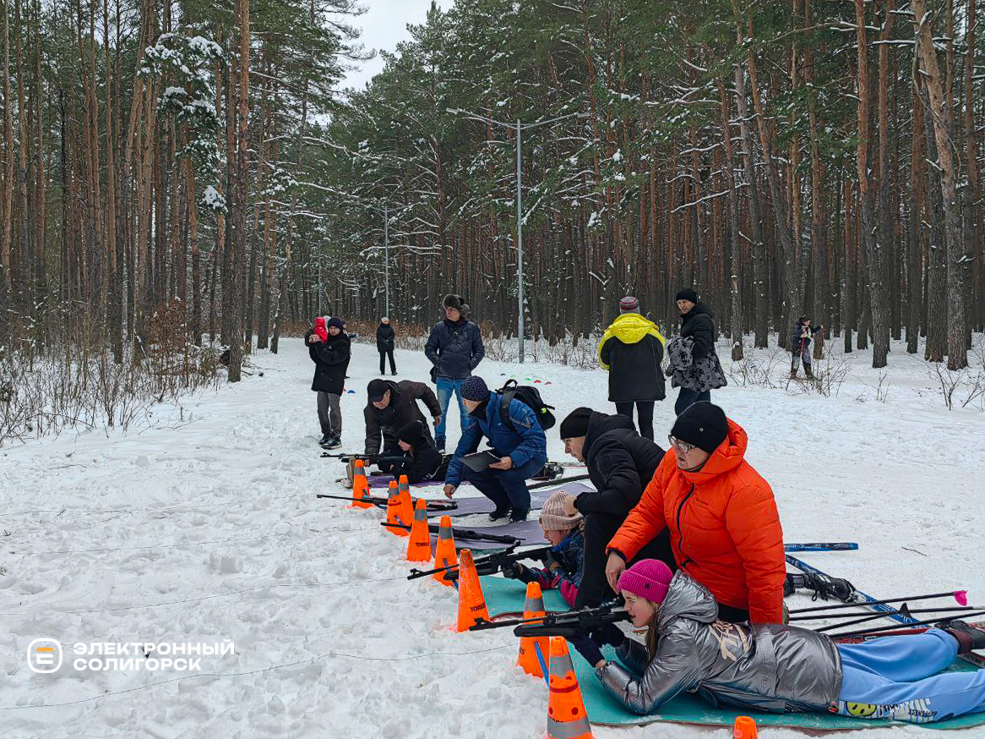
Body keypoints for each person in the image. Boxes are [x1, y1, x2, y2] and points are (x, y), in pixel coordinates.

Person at [571, 559, 985, 724]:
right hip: (795, 647)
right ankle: (954, 639)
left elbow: (644, 698)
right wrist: (622, 646)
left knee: (900, 698)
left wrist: (598, 661)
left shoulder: (679, 635)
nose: (625, 609)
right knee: (888, 657)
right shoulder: (685, 614)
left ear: (655, 599)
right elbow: (670, 668)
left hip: (805, 679)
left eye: (630, 600)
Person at [604, 401, 785, 624]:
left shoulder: (746, 491)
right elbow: (648, 511)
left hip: (725, 597)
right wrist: (619, 551)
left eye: (686, 446)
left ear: (711, 450)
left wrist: (767, 637)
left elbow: (765, 572)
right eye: (675, 441)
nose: (677, 450)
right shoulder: (674, 462)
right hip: (685, 579)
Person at [558, 407, 675, 609]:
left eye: (568, 441)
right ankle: (609, 590)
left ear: (585, 436)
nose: (567, 450)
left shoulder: (606, 446)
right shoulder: (615, 437)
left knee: (597, 520)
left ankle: (587, 605)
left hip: (666, 528)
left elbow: (623, 497)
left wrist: (579, 502)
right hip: (665, 519)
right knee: (599, 517)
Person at [442, 376, 547, 522]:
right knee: (470, 469)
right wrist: (452, 480)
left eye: (464, 400)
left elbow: (537, 439)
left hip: (533, 456)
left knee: (509, 475)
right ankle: (504, 503)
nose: (463, 403)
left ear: (475, 401)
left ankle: (521, 508)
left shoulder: (513, 408)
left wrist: (513, 459)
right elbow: (463, 448)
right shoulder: (477, 416)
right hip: (503, 454)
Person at [597, 296, 665, 440]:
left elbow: (603, 361)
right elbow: (659, 355)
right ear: (638, 310)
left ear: (621, 310)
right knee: (646, 423)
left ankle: (627, 452)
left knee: (624, 423)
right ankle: (648, 455)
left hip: (621, 385)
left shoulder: (610, 334)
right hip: (648, 384)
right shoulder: (652, 332)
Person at [500, 491, 585, 606]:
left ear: (566, 528)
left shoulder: (585, 549)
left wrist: (555, 568)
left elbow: (577, 597)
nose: (545, 536)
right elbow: (549, 578)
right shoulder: (568, 545)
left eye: (548, 530)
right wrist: (522, 572)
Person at [424, 294, 485, 452]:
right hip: (443, 377)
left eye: (451, 309)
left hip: (464, 378)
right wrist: (439, 363)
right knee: (440, 411)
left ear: (460, 311)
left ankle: (467, 443)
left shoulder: (471, 328)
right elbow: (429, 348)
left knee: (466, 413)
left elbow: (479, 350)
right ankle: (440, 442)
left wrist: (470, 365)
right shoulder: (439, 327)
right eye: (446, 309)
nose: (448, 312)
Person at [668, 288, 726, 416]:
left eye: (685, 302)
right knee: (703, 408)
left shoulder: (701, 319)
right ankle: (704, 433)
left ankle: (687, 433)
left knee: (682, 408)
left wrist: (682, 347)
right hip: (697, 371)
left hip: (697, 372)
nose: (682, 305)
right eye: (679, 303)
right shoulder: (692, 317)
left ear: (693, 302)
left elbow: (702, 347)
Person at [364, 378, 442, 457]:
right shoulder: (370, 411)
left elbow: (425, 391)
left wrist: (435, 411)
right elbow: (373, 436)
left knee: (429, 460)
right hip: (394, 439)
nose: (378, 404)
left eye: (380, 401)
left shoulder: (406, 389)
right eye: (375, 402)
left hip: (418, 433)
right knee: (388, 464)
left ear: (388, 393)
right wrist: (370, 456)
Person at [305, 316, 350, 449]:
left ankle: (336, 435)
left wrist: (319, 345)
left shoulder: (343, 343)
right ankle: (326, 433)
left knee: (334, 409)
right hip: (322, 379)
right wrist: (313, 344)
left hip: (334, 380)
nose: (333, 330)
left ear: (340, 329)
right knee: (321, 409)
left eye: (335, 328)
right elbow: (317, 358)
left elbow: (331, 359)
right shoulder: (325, 339)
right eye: (330, 328)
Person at [377, 420, 447, 484]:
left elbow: (412, 478)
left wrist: (393, 468)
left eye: (402, 440)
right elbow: (406, 469)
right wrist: (383, 462)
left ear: (411, 440)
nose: (399, 443)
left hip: (449, 469)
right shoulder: (412, 448)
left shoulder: (426, 454)